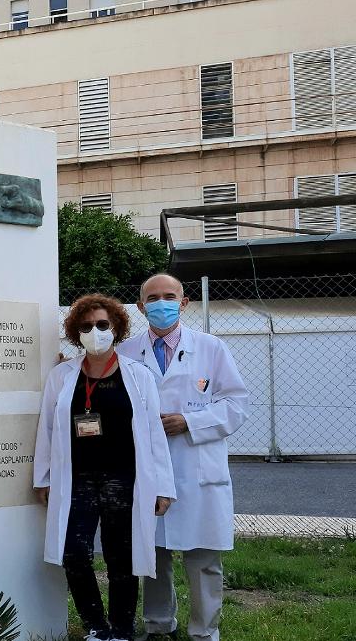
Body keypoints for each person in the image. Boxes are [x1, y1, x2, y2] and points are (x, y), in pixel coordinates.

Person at [34, 293, 176, 641]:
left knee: (121, 558)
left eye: (102, 324)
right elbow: (48, 429)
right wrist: (43, 478)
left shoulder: (138, 376)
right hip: (77, 479)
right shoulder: (62, 376)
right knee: (74, 554)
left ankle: (122, 630)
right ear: (75, 332)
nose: (94, 331)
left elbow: (154, 433)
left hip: (124, 479)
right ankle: (96, 626)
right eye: (86, 326)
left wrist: (163, 486)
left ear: (116, 328)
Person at [119, 274, 248, 641]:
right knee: (153, 556)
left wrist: (190, 422)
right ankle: (159, 626)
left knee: (204, 559)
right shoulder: (126, 352)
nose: (162, 304)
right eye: (153, 298)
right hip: (148, 469)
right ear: (141, 307)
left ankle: (205, 632)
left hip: (198, 466)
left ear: (184, 302)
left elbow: (237, 405)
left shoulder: (212, 348)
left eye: (169, 296)